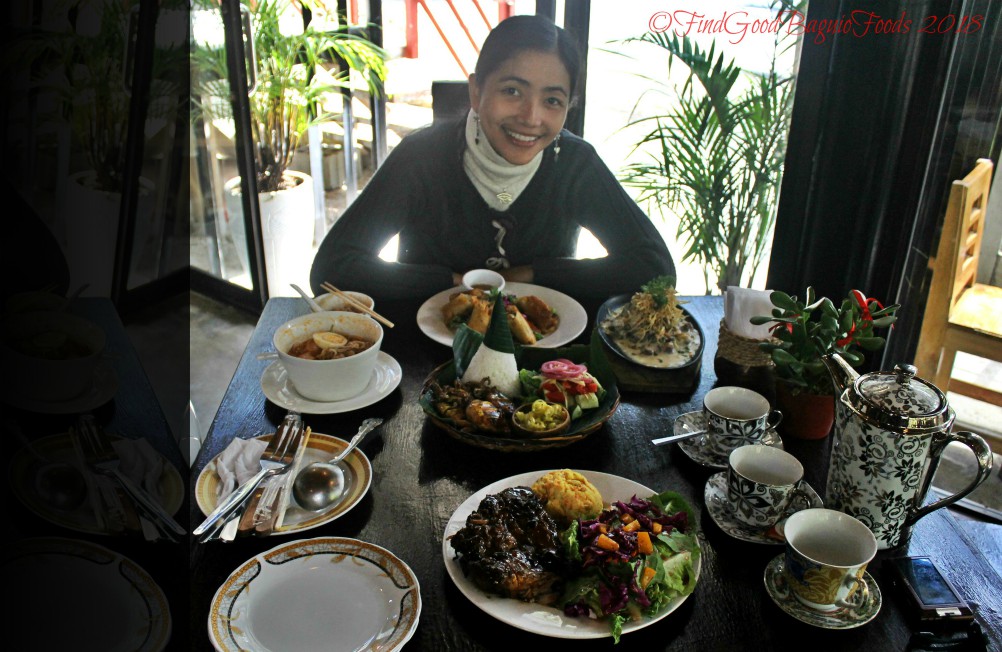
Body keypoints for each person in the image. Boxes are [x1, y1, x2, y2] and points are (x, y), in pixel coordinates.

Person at [309, 14, 675, 305]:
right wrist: (453, 283)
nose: (531, 117)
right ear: (476, 90)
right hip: (425, 358)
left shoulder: (574, 164)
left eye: (552, 100)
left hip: (541, 361)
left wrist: (533, 275)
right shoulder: (421, 156)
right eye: (512, 91)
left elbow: (654, 268)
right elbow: (332, 268)